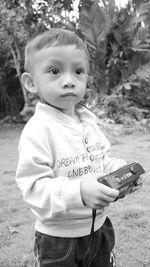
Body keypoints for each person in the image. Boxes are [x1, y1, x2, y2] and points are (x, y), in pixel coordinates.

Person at [16, 28, 142, 267]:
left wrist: (121, 170)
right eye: (55, 71)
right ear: (31, 83)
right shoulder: (38, 130)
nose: (69, 80)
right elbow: (33, 189)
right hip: (59, 241)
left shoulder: (87, 122)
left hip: (100, 229)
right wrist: (80, 192)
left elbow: (100, 159)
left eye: (78, 71)